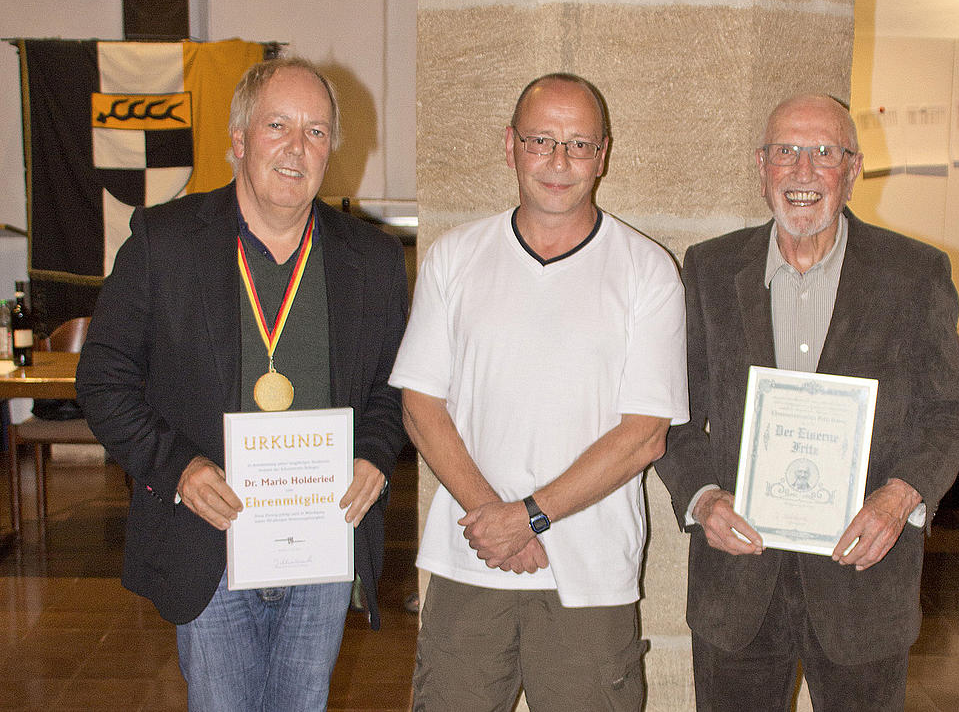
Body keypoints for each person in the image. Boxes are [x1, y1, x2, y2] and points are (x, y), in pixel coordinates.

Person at [75, 57, 408, 711]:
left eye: (316, 131)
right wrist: (178, 467)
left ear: (332, 150)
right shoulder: (164, 243)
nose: (297, 147)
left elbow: (396, 384)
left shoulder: (371, 259)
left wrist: (373, 452)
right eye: (277, 125)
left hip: (321, 536)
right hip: (210, 540)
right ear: (238, 139)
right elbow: (103, 378)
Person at [654, 94, 959, 711]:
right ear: (762, 166)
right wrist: (702, 498)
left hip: (865, 575)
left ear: (852, 170)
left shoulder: (915, 274)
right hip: (737, 583)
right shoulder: (710, 269)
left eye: (825, 153)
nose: (803, 171)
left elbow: (949, 415)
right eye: (787, 151)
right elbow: (672, 413)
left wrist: (898, 499)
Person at [388, 73, 688, 711]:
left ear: (602, 155)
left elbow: (644, 436)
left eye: (579, 144)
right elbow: (420, 406)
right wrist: (495, 519)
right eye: (541, 140)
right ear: (509, 145)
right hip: (472, 558)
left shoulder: (647, 271)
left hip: (590, 573)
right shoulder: (455, 256)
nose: (559, 161)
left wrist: (530, 516)